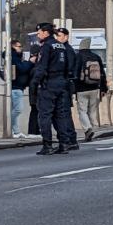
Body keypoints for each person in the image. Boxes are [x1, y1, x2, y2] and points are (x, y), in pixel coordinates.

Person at [31, 25, 77, 154]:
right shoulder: (61, 46)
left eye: (39, 33)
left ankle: (47, 145)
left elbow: (42, 67)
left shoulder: (46, 47)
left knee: (45, 115)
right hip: (62, 83)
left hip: (49, 84)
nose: (38, 35)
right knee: (60, 115)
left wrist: (35, 83)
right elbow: (68, 66)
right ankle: (64, 143)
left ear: (46, 33)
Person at [74, 37, 108, 141]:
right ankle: (93, 129)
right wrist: (103, 88)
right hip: (95, 88)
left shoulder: (78, 56)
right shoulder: (96, 57)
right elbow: (102, 74)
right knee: (92, 111)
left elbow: (75, 72)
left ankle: (87, 128)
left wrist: (74, 88)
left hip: (81, 88)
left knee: (82, 110)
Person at [11, 39, 34, 139]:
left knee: (16, 110)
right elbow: (22, 68)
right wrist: (30, 62)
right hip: (15, 87)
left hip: (19, 87)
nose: (21, 48)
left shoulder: (17, 57)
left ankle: (15, 131)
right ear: (13, 47)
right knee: (18, 109)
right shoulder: (13, 57)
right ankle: (12, 128)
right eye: (19, 46)